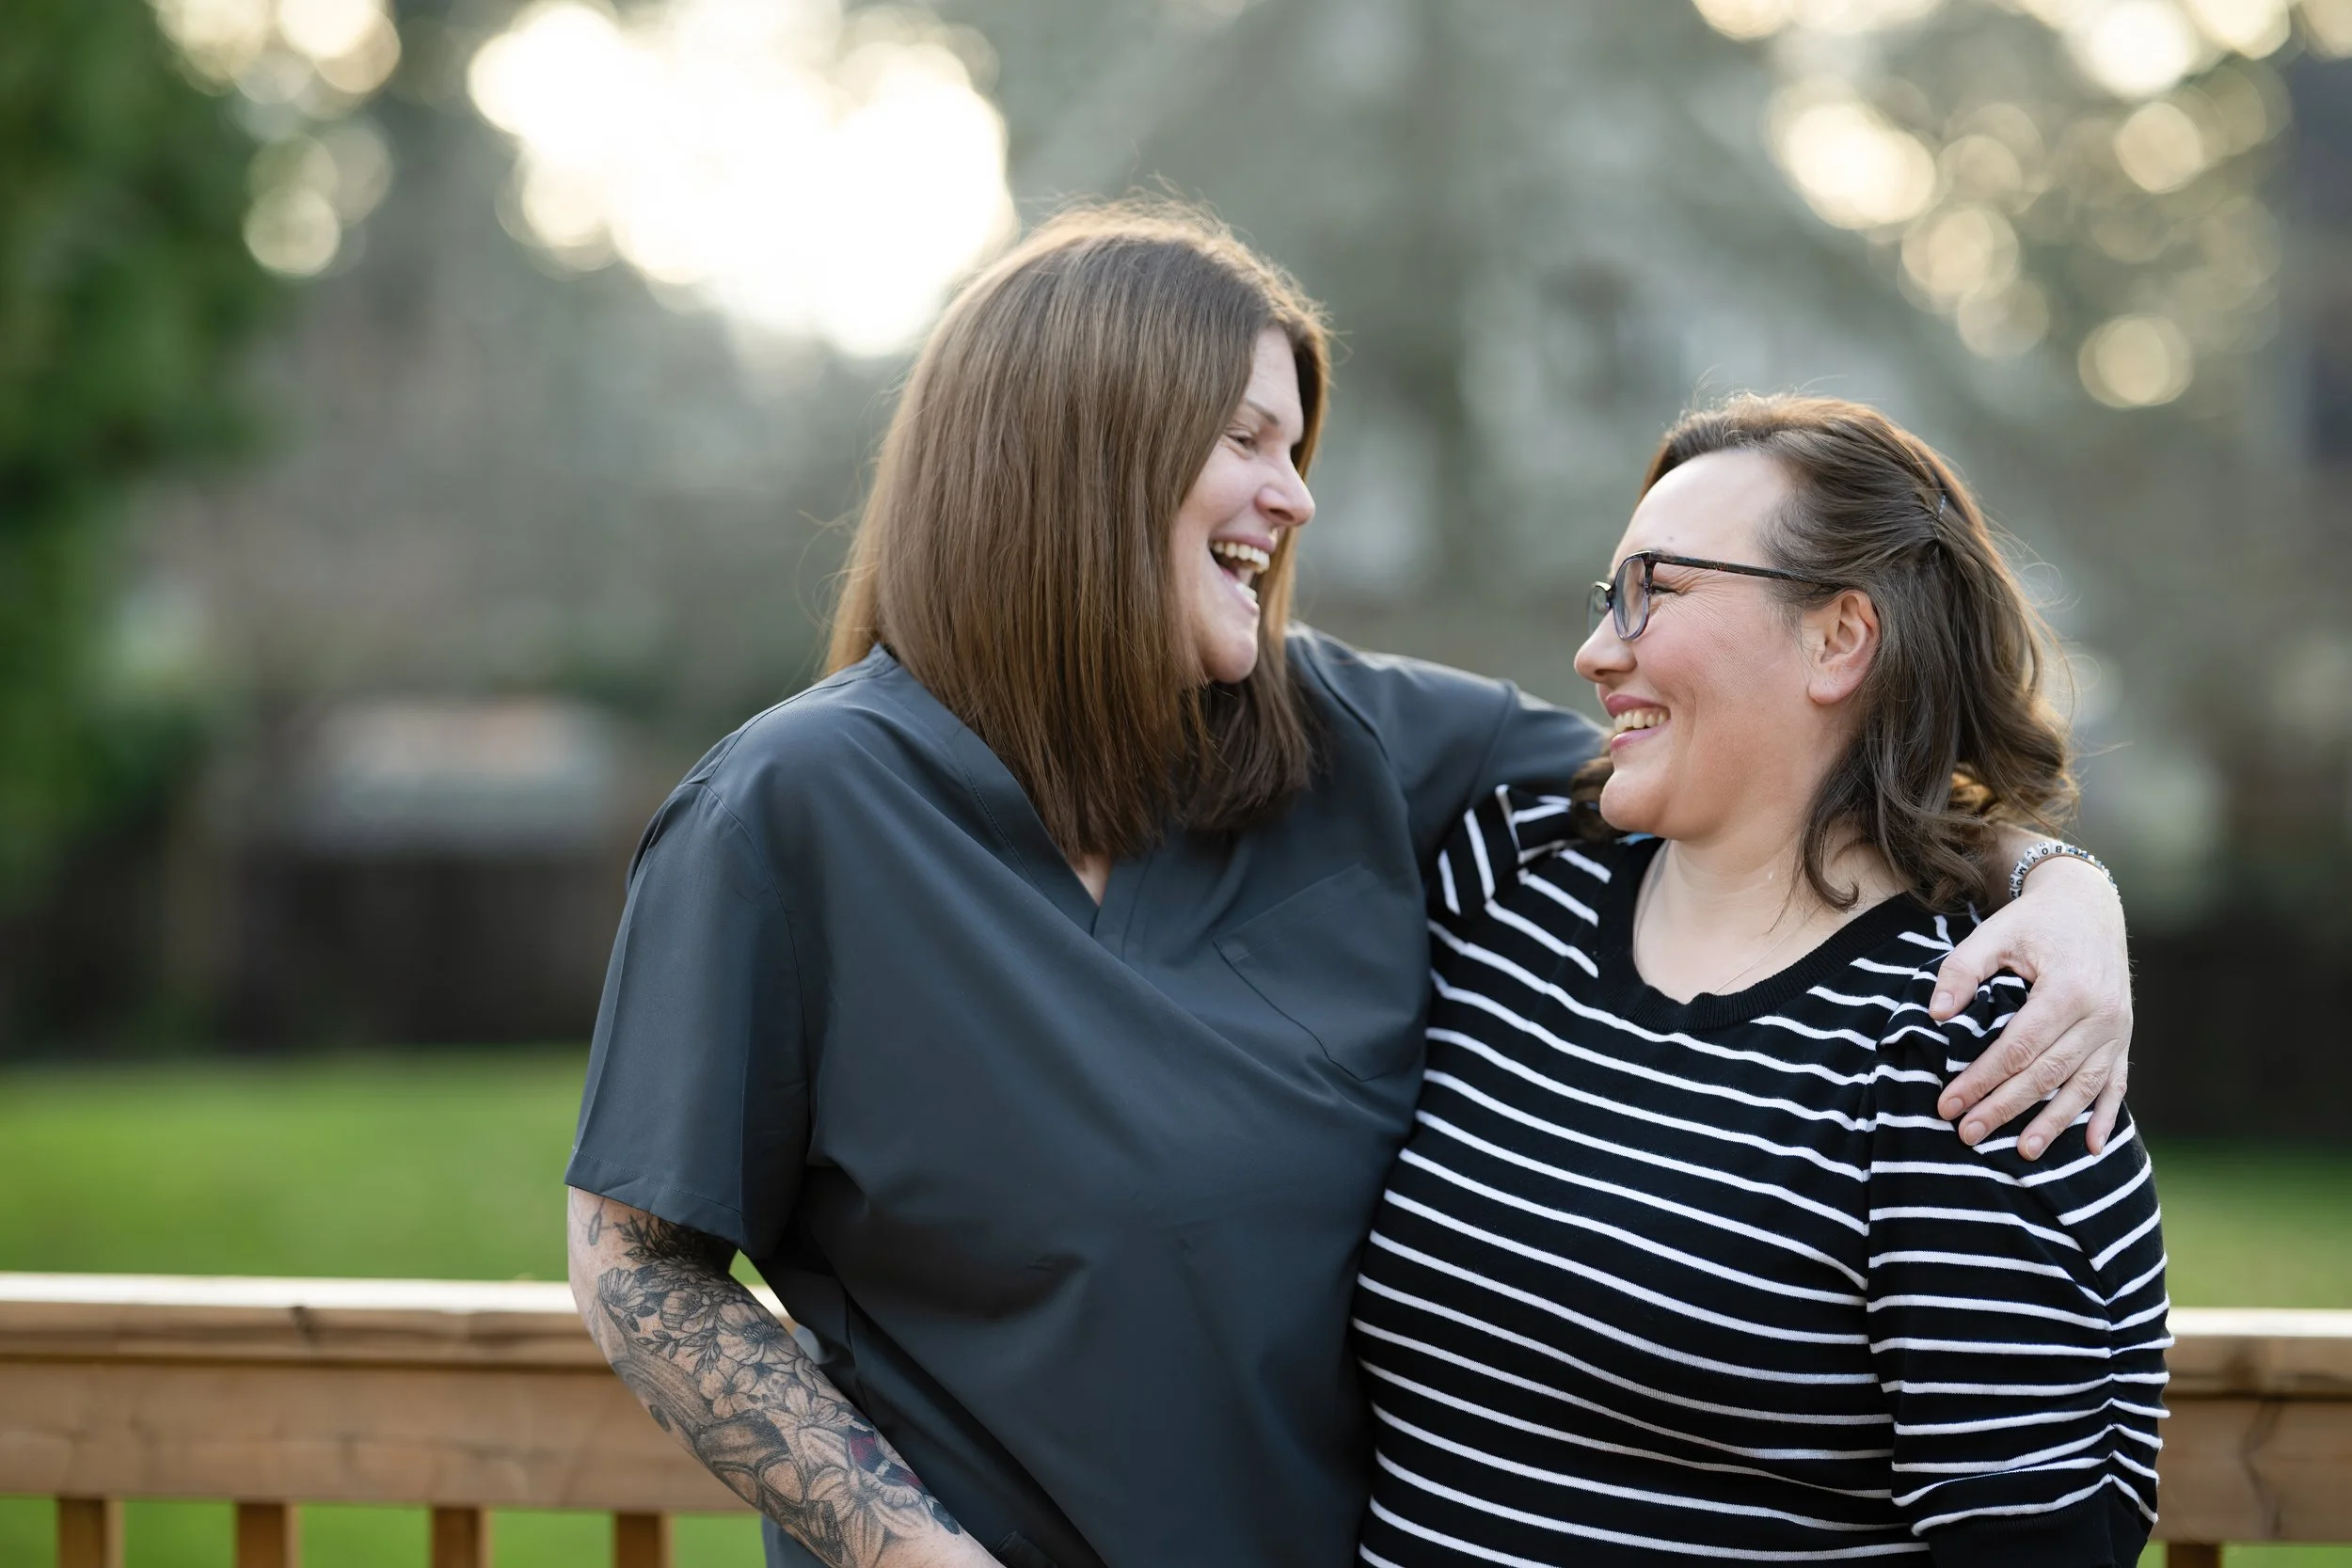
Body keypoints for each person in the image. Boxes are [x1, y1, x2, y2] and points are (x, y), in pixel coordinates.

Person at [561, 206, 2136, 1568]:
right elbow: (638, 1263)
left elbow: (1759, 774)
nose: (1294, 494)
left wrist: (2059, 885)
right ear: (1084, 446)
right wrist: (915, 1553)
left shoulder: (1351, 747)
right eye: (1247, 438)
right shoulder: (789, 815)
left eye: (1296, 447)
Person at [1354, 394, 2167, 1567]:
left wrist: (2054, 875)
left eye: (1656, 590)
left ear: (1839, 637)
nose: (1595, 649)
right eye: (1603, 597)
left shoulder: (1969, 1045)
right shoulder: (1511, 880)